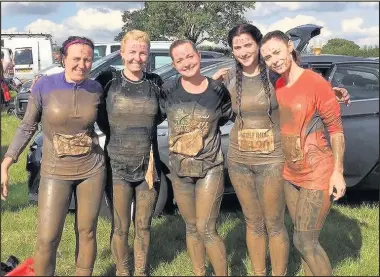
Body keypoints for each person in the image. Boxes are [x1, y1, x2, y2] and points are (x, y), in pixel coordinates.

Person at [211, 23, 350, 276]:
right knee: (253, 223)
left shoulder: (276, 75)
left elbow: (303, 86)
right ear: (232, 51)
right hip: (240, 160)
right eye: (237, 47)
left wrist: (331, 91)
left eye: (248, 45)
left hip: (275, 160)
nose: (243, 51)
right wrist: (208, 83)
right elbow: (210, 107)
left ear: (258, 44)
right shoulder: (228, 77)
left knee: (278, 226)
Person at [1, 36, 106, 276]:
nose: (82, 64)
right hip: (55, 171)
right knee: (47, 237)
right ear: (63, 58)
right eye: (77, 58)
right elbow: (27, 126)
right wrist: (6, 162)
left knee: (87, 230)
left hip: (92, 169)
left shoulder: (96, 88)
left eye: (88, 59)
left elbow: (108, 124)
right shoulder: (45, 86)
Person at [260, 30, 346, 276]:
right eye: (267, 57)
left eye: (277, 52)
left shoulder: (315, 82)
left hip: (317, 171)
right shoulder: (278, 84)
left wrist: (337, 172)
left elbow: (336, 131)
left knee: (305, 241)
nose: (274, 60)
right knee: (305, 240)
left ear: (289, 47)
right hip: (291, 172)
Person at [159, 39, 233, 276]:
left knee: (207, 228)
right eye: (179, 60)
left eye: (189, 56)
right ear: (173, 64)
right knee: (191, 227)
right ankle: (199, 272)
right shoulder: (168, 90)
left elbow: (232, 116)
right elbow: (151, 115)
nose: (186, 63)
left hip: (210, 168)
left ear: (198, 56)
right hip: (179, 170)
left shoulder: (217, 90)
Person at [95, 30, 165, 276]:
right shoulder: (108, 80)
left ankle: (141, 270)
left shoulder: (156, 83)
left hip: (148, 168)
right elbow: (100, 117)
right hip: (117, 166)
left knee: (144, 226)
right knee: (120, 226)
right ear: (122, 53)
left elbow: (165, 112)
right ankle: (123, 271)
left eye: (143, 52)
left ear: (148, 54)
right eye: (132, 51)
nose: (138, 57)